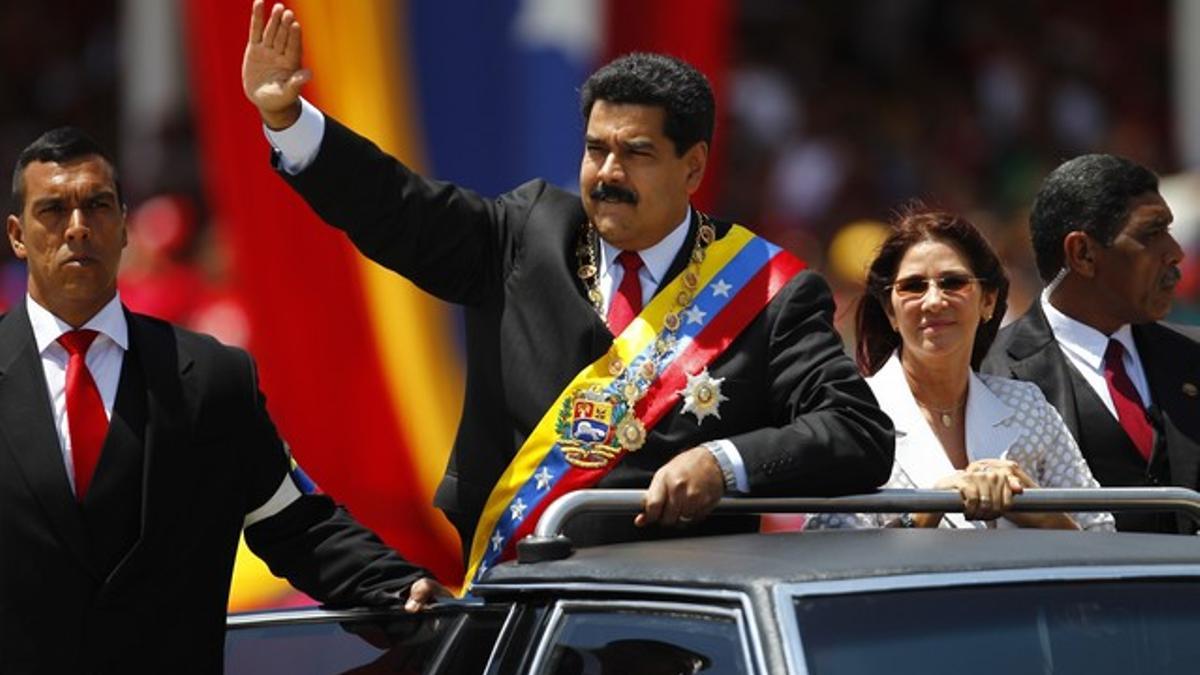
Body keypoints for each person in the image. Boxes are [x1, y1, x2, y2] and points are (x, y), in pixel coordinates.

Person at [241, 0, 894, 586]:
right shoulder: (525, 231)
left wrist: (724, 463)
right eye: (595, 149)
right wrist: (289, 119)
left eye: (635, 152)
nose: (608, 173)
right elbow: (399, 208)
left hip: (680, 628)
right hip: (519, 610)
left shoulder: (767, 290)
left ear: (692, 166)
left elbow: (858, 433)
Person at [1, 127, 448, 673]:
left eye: (96, 205)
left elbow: (296, 525)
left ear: (124, 226)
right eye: (53, 210)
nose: (77, 228)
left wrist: (398, 589)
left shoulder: (211, 379)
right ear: (18, 235)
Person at [808, 209, 1112, 531]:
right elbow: (829, 551)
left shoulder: (1028, 407)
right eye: (913, 286)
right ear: (890, 311)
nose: (934, 301)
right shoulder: (848, 417)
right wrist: (926, 509)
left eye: (953, 282)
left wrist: (1034, 506)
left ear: (988, 302)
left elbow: (1102, 538)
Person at [982, 154, 1200, 533]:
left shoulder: (1192, 356)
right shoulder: (991, 376)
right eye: (1151, 233)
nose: (1175, 252)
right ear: (1082, 254)